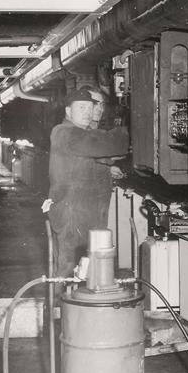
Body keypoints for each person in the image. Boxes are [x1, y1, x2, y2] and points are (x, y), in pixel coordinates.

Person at [47, 88, 129, 277]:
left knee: (90, 270)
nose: (88, 112)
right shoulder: (65, 132)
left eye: (90, 108)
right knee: (69, 270)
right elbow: (114, 145)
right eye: (81, 107)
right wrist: (131, 125)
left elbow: (101, 154)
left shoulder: (82, 134)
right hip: (72, 215)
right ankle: (63, 297)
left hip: (88, 213)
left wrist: (108, 163)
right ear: (68, 111)